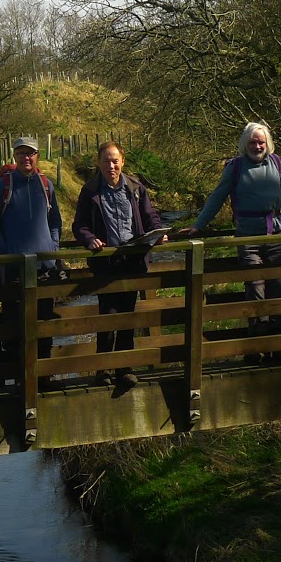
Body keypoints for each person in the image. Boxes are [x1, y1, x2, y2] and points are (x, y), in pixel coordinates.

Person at [186, 122, 281, 362]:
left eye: (261, 142)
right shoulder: (235, 167)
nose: (257, 146)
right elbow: (217, 196)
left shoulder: (276, 163)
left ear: (268, 144)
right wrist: (199, 225)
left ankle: (280, 348)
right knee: (255, 286)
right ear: (245, 143)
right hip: (248, 235)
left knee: (278, 286)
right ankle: (256, 347)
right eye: (253, 142)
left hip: (277, 232)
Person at [74, 142, 165, 394]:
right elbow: (79, 225)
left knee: (127, 316)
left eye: (115, 161)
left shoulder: (135, 188)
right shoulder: (90, 191)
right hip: (106, 264)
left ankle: (125, 369)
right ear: (99, 163)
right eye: (106, 161)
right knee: (108, 316)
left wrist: (157, 234)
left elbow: (150, 217)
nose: (111, 166)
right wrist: (89, 238)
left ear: (122, 162)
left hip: (132, 262)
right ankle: (103, 371)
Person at [0, 137, 63, 388]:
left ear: (37, 156)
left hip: (44, 269)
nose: (25, 158)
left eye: (29, 153)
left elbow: (55, 222)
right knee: (15, 326)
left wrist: (52, 247)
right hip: (15, 270)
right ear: (14, 156)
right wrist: (8, 252)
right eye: (20, 153)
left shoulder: (45, 184)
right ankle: (21, 378)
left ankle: (44, 376)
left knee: (44, 324)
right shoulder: (2, 187)